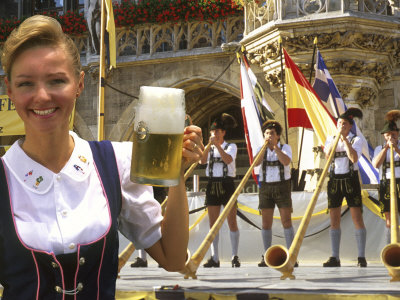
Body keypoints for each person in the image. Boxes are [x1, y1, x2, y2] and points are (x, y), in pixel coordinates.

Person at [0, 15, 204, 299]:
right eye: (26, 84)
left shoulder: (114, 162)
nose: (42, 96)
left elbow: (173, 258)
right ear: (9, 90)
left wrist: (175, 176)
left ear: (80, 84)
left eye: (57, 80)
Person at [323, 107, 367, 268]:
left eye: (344, 124)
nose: (341, 126)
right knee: (334, 219)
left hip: (350, 178)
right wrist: (337, 140)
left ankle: (361, 256)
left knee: (357, 217)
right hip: (335, 178)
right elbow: (328, 157)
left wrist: (345, 140)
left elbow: (353, 158)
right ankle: (335, 257)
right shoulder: (330, 139)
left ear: (349, 126)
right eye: (339, 123)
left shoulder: (356, 140)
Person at [200, 113, 240, 268]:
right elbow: (202, 161)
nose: (214, 134)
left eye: (217, 132)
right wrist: (209, 146)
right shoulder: (208, 147)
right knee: (213, 223)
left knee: (231, 221)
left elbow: (228, 159)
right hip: (212, 184)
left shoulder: (231, 146)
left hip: (227, 184)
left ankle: (234, 256)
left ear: (223, 133)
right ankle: (214, 257)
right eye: (212, 132)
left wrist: (216, 145)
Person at [254, 120, 296, 267]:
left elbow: (285, 162)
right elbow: (256, 163)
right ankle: (267, 255)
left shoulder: (285, 148)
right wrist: (265, 148)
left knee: (286, 221)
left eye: (271, 133)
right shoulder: (260, 148)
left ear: (277, 135)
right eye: (266, 133)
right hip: (265, 187)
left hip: (282, 187)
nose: (269, 136)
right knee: (266, 223)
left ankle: (291, 255)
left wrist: (275, 148)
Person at [372, 110, 400, 244]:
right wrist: (386, 149)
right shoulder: (379, 149)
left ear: (398, 134)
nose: (391, 138)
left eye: (394, 135)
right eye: (388, 135)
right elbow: (376, 164)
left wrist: (396, 149)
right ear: (384, 136)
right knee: (389, 219)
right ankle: (391, 248)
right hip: (386, 184)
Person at [130, 186, 168, 268]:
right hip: (144, 194)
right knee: (141, 226)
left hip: (157, 194)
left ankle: (162, 258)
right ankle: (142, 259)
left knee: (159, 227)